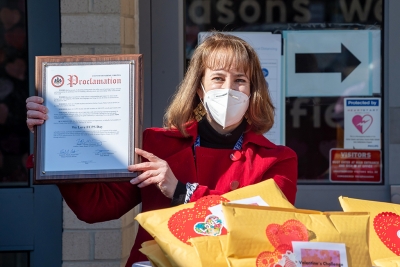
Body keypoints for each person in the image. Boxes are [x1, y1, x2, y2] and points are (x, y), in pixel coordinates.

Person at [26, 32, 297, 267]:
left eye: (240, 80)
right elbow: (96, 208)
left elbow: (263, 227)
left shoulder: (277, 159)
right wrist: (53, 139)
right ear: (200, 89)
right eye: (217, 78)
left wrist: (181, 191)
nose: (229, 89)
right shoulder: (157, 144)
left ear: (252, 91)